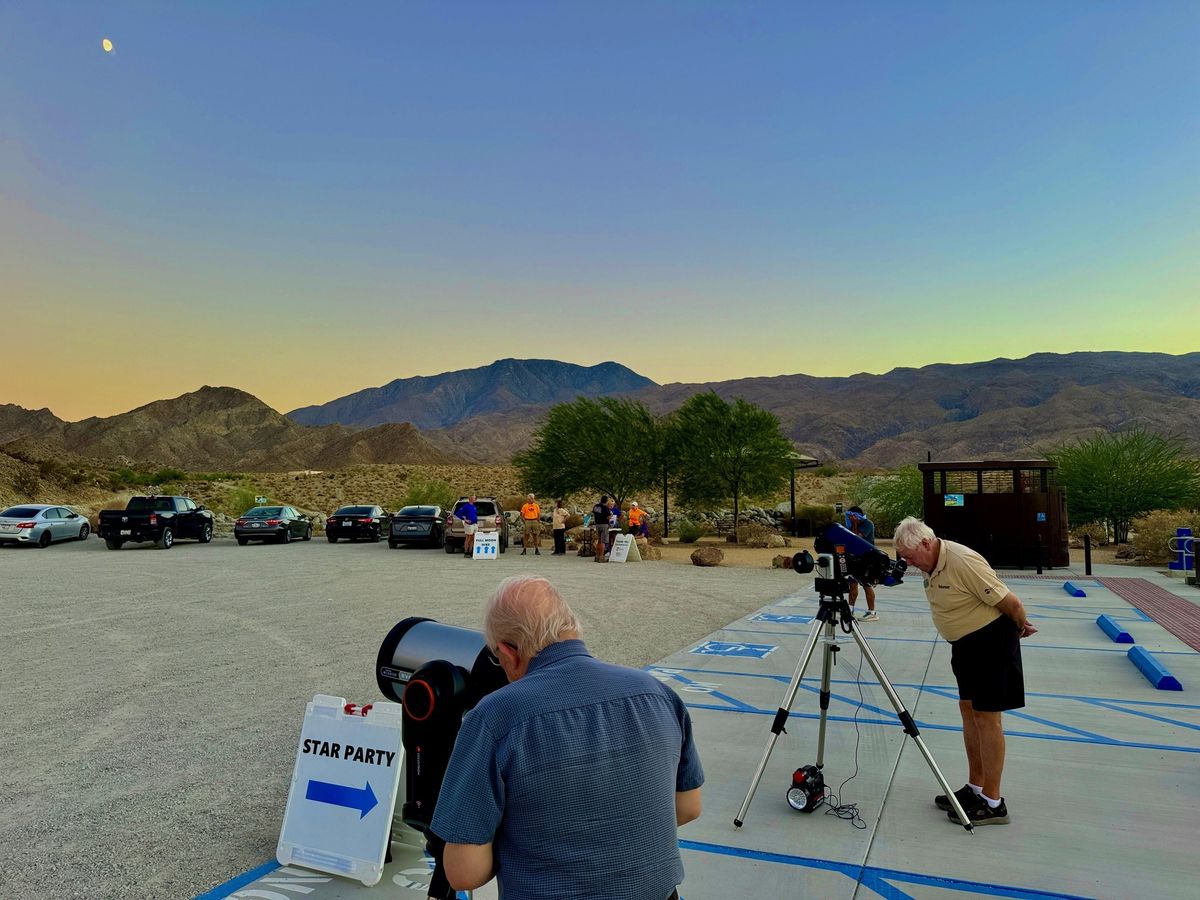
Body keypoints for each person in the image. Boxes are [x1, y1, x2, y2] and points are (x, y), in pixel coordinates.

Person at [431, 576, 703, 899]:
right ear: (571, 627)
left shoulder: (492, 719)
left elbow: (463, 872)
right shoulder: (659, 695)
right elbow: (688, 807)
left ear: (506, 653)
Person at [892, 516, 1037, 826]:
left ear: (927, 544)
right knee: (969, 710)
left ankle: (993, 802)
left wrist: (1019, 627)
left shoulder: (961, 560)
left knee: (988, 718)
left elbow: (1011, 602)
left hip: (991, 642)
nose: (908, 563)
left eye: (909, 556)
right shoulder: (932, 565)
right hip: (966, 646)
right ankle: (975, 787)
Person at [846, 506, 878, 621]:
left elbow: (856, 539)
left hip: (867, 559)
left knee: (866, 584)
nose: (849, 519)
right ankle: (850, 610)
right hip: (855, 558)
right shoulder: (850, 525)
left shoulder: (867, 524)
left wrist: (854, 524)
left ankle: (872, 612)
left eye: (851, 517)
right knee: (853, 584)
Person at [591, 495, 609, 562]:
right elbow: (608, 516)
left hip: (597, 524)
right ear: (606, 501)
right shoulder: (605, 507)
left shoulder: (596, 506)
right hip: (604, 525)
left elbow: (594, 513)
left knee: (599, 541)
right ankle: (601, 557)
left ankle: (597, 556)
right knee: (603, 541)